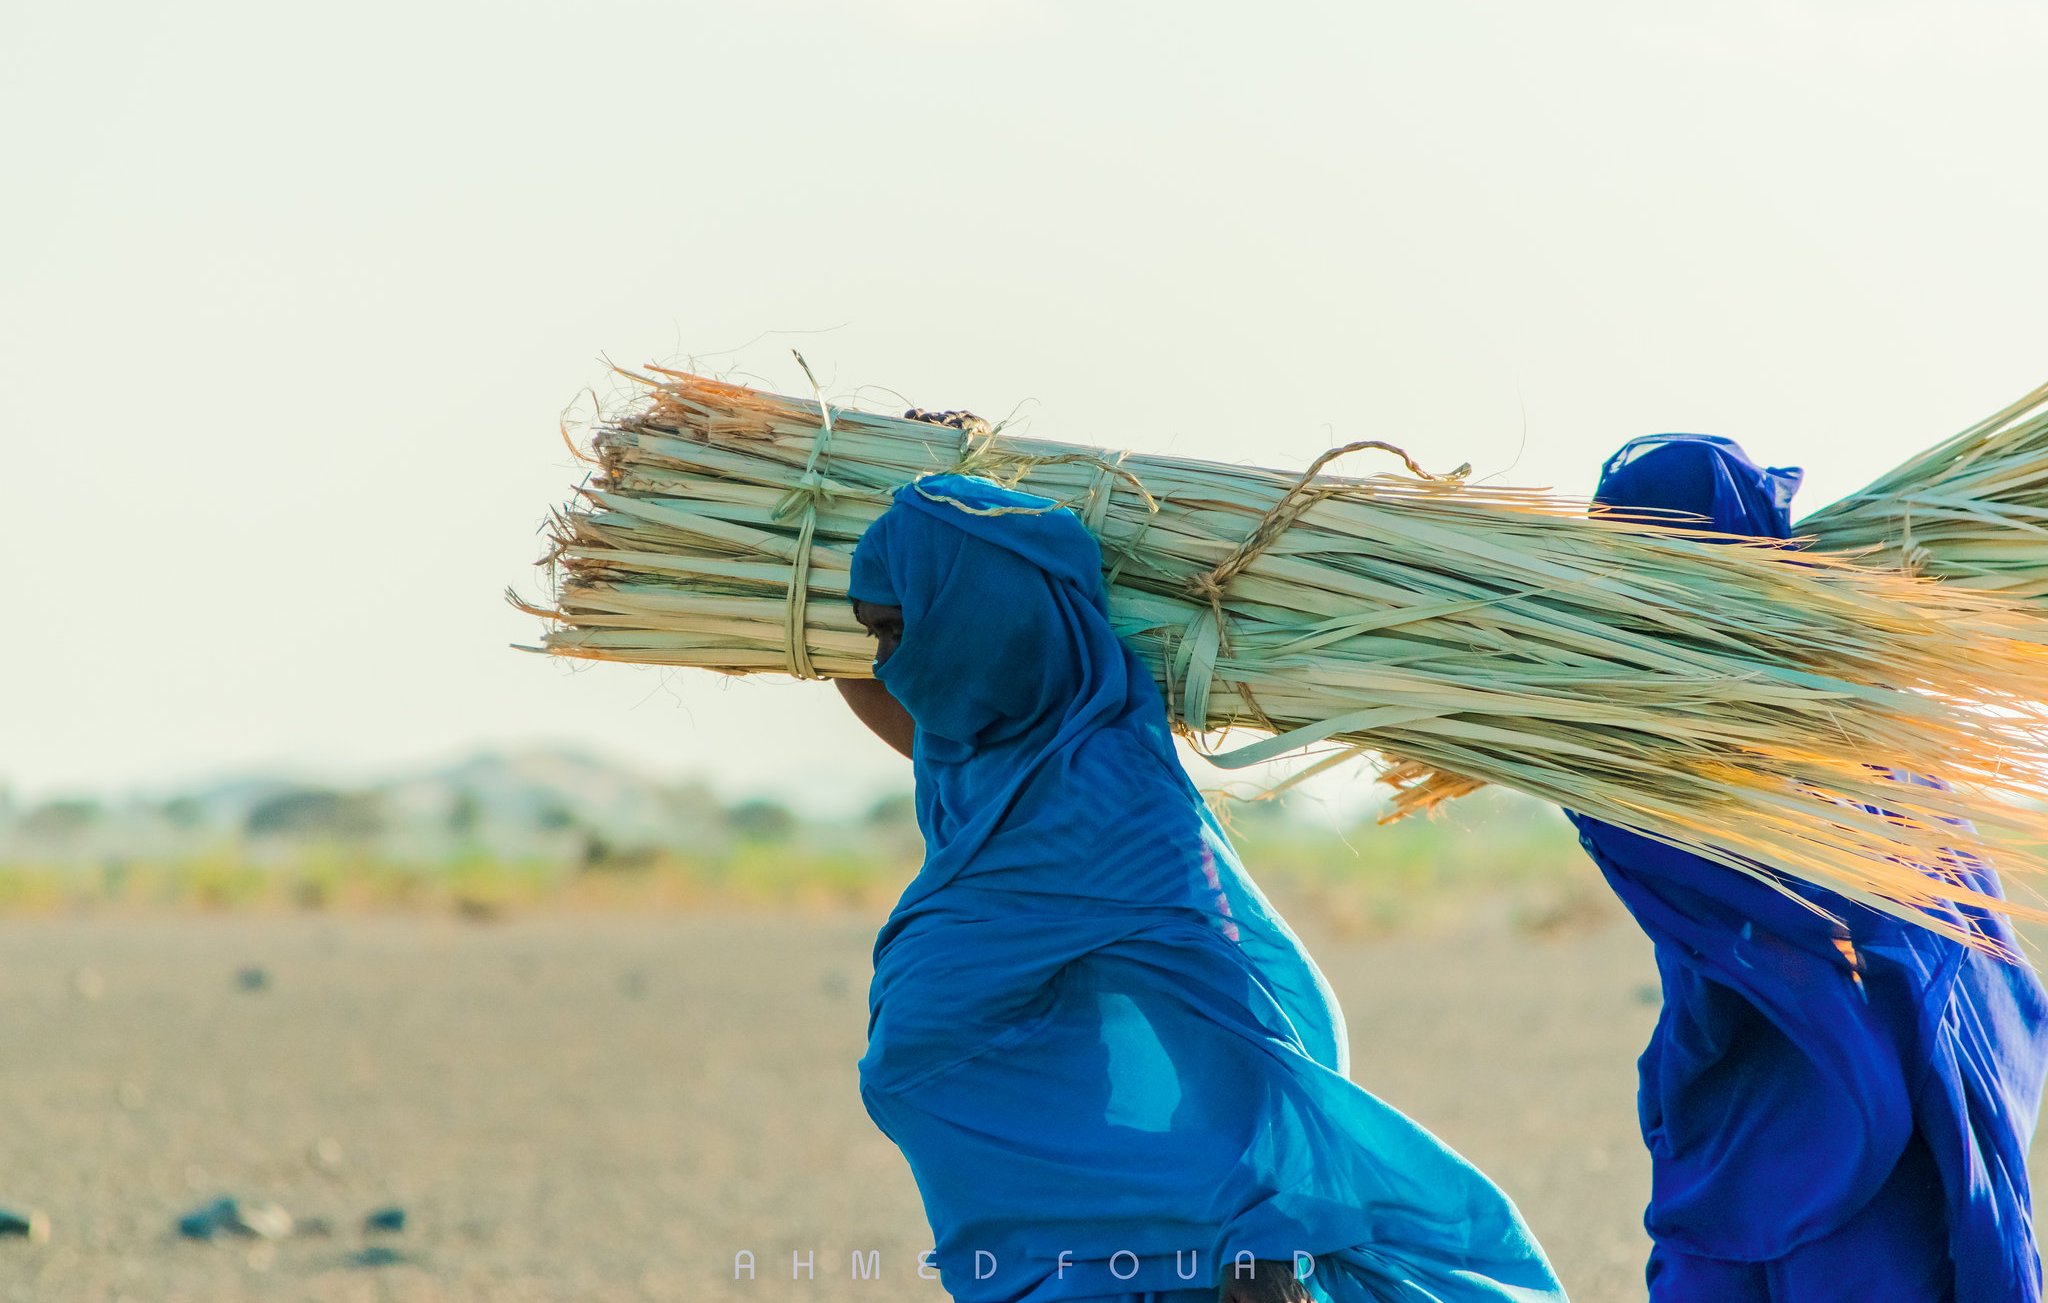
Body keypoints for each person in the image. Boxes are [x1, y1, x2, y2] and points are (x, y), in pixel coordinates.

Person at [835, 472, 1568, 1303]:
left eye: (899, 633)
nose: (887, 664)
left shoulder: (1107, 787)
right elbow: (864, 680)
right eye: (877, 637)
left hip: (1142, 1237)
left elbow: (1242, 996)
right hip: (1042, 1219)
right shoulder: (969, 758)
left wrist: (1269, 1240)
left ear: (978, 625)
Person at [1570, 433, 2048, 1302]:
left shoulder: (1843, 747)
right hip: (1739, 1121)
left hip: (1860, 1135)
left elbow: (1915, 929)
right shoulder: (1645, 757)